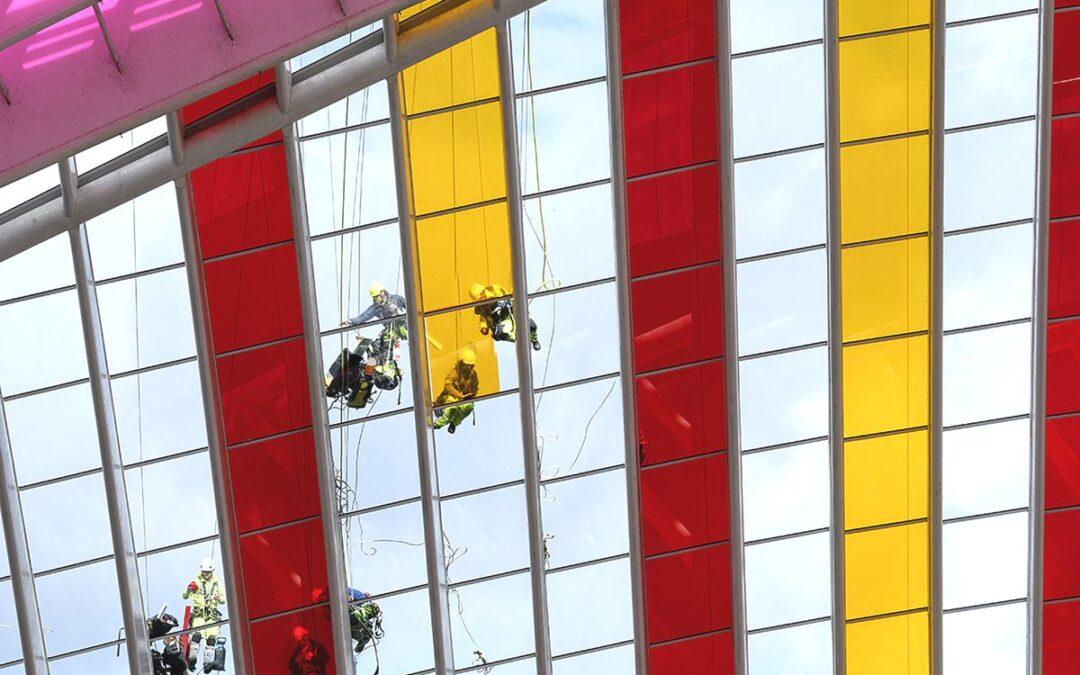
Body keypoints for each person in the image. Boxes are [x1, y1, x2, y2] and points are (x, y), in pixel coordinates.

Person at [183, 558, 227, 673]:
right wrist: (189, 590)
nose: (205, 574)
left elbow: (223, 600)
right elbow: (185, 595)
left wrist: (217, 597)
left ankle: (207, 663)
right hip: (199, 614)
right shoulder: (196, 581)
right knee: (197, 635)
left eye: (208, 572)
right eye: (204, 572)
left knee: (211, 638)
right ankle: (192, 659)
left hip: (211, 616)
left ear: (212, 571)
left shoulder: (217, 584)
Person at [470, 283, 540, 351]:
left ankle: (534, 340)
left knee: (531, 325)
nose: (482, 299)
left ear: (483, 291)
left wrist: (505, 301)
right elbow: (483, 319)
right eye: (479, 299)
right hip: (501, 321)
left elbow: (504, 294)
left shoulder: (494, 290)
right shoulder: (482, 308)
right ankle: (524, 344)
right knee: (512, 335)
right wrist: (483, 327)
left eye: (482, 295)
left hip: (510, 310)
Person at [344, 282, 408, 346]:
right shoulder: (376, 308)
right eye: (374, 297)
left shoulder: (396, 299)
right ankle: (374, 349)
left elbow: (409, 307)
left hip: (404, 325)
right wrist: (350, 321)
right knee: (381, 342)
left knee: (405, 329)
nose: (375, 299)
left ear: (382, 293)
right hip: (391, 330)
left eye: (376, 296)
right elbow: (363, 317)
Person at [433, 348, 480, 433]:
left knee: (468, 407)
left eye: (471, 365)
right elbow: (448, 385)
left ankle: (454, 423)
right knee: (453, 407)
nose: (469, 367)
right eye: (467, 365)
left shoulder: (473, 375)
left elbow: (475, 388)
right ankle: (438, 424)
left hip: (463, 398)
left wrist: (471, 395)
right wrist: (459, 395)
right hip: (450, 397)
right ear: (462, 363)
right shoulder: (454, 372)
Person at [346, 589, 383, 654]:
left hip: (352, 614)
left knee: (360, 625)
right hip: (353, 615)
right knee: (363, 628)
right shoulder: (361, 596)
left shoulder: (359, 596)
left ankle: (362, 636)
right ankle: (363, 636)